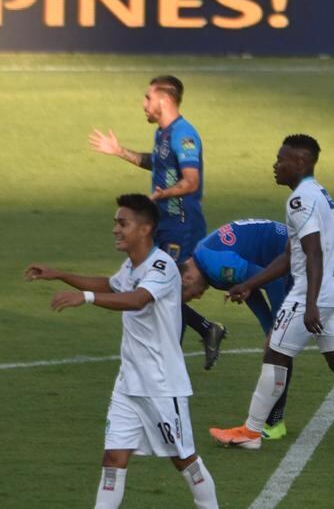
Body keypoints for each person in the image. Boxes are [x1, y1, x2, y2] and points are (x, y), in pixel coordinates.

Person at [25, 194, 219, 508]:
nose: (115, 229)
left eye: (122, 223)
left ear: (145, 229)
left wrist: (85, 298)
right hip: (129, 383)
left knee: (184, 459)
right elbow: (112, 285)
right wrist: (60, 274)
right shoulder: (131, 265)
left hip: (161, 385)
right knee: (113, 459)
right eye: (116, 222)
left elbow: (137, 300)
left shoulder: (162, 266)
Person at [209, 134, 334, 452]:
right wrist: (251, 284)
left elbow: (313, 252)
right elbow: (290, 254)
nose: (275, 165)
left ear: (300, 162)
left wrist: (310, 303)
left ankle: (252, 431)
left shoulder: (300, 201)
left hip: (313, 292)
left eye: (281, 159)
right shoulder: (317, 193)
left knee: (275, 352)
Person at [89, 75, 227, 370]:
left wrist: (163, 194)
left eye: (148, 97)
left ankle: (169, 361)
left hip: (182, 226)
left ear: (164, 100)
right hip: (163, 225)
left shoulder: (185, 135)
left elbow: (191, 181)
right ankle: (203, 331)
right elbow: (158, 162)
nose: (144, 104)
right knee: (157, 287)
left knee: (166, 290)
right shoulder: (163, 133)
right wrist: (120, 151)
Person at [180, 218, 294, 440]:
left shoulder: (216, 266)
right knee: (280, 345)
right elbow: (251, 286)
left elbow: (272, 282)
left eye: (190, 295)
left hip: (296, 256)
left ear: (187, 277)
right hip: (288, 251)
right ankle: (274, 422)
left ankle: (274, 424)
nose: (198, 297)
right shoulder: (206, 260)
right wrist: (269, 328)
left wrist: (277, 326)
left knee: (283, 345)